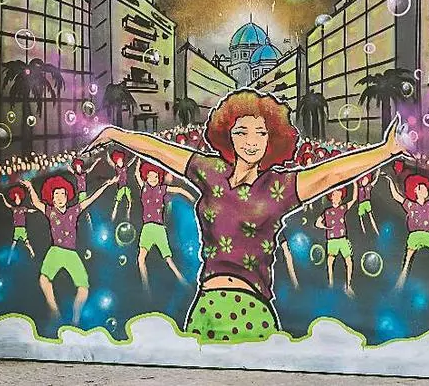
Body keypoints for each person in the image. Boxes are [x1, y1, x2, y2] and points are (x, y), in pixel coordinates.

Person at [85, 89, 407, 343]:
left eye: (260, 133)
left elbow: (330, 174)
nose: (251, 142)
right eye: (242, 132)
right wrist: (115, 134)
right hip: (206, 307)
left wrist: (385, 152)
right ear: (228, 136)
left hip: (252, 311)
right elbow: (159, 150)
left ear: (271, 139)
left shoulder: (279, 186)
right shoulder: (209, 171)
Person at [21, 174, 118, 325]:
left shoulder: (74, 210)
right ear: (52, 199)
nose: (60, 197)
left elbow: (91, 198)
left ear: (67, 197)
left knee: (84, 287)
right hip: (55, 251)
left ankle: (75, 318)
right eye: (56, 194)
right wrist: (30, 187)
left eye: (62, 194)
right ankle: (55, 312)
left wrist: (106, 184)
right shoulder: (50, 212)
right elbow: (36, 203)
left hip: (71, 253)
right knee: (44, 279)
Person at [387, 169, 429, 289]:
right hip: (415, 234)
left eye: (426, 189)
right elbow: (396, 196)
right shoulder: (410, 205)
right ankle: (401, 281)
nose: (426, 190)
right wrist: (390, 180)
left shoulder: (428, 204)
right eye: (422, 188)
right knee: (408, 259)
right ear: (416, 191)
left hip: (426, 234)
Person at [135, 161, 195, 290]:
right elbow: (136, 175)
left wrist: (193, 199)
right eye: (150, 176)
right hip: (147, 228)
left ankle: (183, 281)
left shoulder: (161, 189)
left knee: (168, 259)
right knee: (141, 259)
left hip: (159, 228)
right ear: (146, 177)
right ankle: (146, 289)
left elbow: (179, 190)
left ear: (159, 178)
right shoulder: (144, 188)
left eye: (156, 176)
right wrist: (138, 160)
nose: (153, 179)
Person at [314, 186, 357, 296]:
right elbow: (317, 223)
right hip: (332, 240)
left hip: (343, 239)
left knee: (349, 261)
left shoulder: (343, 208)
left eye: (339, 195)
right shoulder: (327, 212)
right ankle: (331, 285)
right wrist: (326, 227)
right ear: (331, 197)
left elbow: (354, 198)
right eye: (334, 195)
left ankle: (348, 286)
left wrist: (355, 183)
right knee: (330, 262)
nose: (337, 197)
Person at [1, 186, 37, 260]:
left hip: (22, 228)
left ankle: (32, 252)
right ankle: (9, 257)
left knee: (27, 242)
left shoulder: (23, 208)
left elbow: (29, 210)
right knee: (13, 244)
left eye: (18, 198)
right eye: (16, 199)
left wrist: (35, 210)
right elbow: (7, 204)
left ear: (20, 200)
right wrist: (3, 196)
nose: (17, 200)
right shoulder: (14, 208)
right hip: (16, 228)